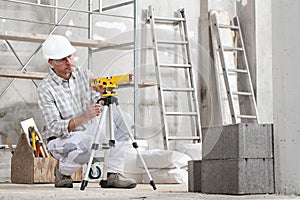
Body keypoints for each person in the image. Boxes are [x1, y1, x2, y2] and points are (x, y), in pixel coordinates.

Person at [37, 34, 137, 189]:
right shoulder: (45, 88)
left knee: (124, 119)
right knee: (89, 141)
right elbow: (54, 127)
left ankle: (113, 174)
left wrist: (103, 95)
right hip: (60, 141)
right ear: (51, 62)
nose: (69, 62)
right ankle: (63, 172)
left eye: (70, 56)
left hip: (90, 131)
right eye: (63, 59)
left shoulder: (84, 74)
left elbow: (99, 102)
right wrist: (84, 117)